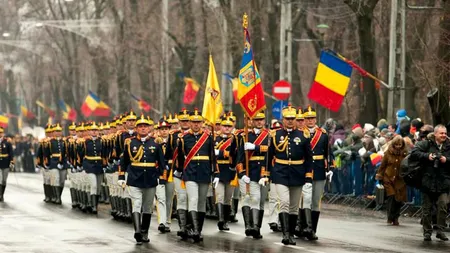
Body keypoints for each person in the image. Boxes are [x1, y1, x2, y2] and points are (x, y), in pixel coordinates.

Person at [267, 105, 313, 245]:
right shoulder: (276, 135)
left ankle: (291, 233)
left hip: (297, 173)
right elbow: (269, 156)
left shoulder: (303, 135)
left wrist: (308, 175)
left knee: (293, 207)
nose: (290, 121)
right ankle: (285, 234)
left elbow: (309, 157)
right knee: (284, 203)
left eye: (293, 119)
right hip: (280, 173)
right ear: (283, 119)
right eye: (288, 119)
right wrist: (266, 173)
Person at [119, 115, 167, 245]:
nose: (143, 129)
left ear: (149, 128)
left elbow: (162, 163)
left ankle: (144, 232)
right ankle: (138, 231)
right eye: (140, 126)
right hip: (135, 179)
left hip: (151, 179)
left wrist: (162, 178)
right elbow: (124, 161)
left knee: (148, 206)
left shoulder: (155, 143)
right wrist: (121, 176)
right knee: (137, 204)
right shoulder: (130, 143)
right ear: (136, 128)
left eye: (145, 126)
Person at [176, 109, 216, 243]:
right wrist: (180, 170)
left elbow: (212, 156)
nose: (196, 125)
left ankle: (198, 228)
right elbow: (181, 157)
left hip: (204, 172)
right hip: (190, 172)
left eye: (198, 122)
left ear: (202, 123)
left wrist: (215, 172)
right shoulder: (183, 138)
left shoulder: (208, 137)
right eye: (193, 122)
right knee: (193, 199)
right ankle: (195, 230)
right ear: (190, 123)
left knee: (201, 201)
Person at [410, 124, 450, 241]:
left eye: (445, 133)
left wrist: (445, 160)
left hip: (443, 181)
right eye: (441, 133)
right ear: (435, 134)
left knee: (442, 206)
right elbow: (414, 153)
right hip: (427, 180)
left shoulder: (448, 146)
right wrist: (428, 156)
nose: (444, 135)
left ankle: (440, 230)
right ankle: (427, 232)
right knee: (426, 208)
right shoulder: (426, 143)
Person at [238, 111, 269, 239]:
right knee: (251, 198)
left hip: (263, 171)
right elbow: (239, 157)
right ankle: (251, 227)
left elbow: (270, 150)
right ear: (252, 121)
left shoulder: (269, 135)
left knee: (261, 201)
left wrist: (255, 147)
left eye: (261, 120)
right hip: (250, 171)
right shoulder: (245, 136)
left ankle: (257, 227)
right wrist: (242, 173)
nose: (259, 122)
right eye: (257, 120)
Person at [375, 136, 408, 225]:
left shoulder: (405, 154)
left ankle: (396, 217)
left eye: (399, 144)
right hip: (388, 178)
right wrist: (380, 175)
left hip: (400, 179)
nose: (398, 146)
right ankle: (390, 216)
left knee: (399, 199)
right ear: (393, 144)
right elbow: (383, 165)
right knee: (391, 197)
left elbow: (408, 165)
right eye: (396, 144)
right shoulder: (388, 153)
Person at [213, 116, 238, 232]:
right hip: (218, 170)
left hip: (230, 170)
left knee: (228, 198)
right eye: (225, 126)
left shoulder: (235, 139)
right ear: (220, 127)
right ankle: (220, 219)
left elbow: (236, 154)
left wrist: (221, 152)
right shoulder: (215, 138)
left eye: (229, 126)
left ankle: (226, 220)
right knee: (219, 196)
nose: (227, 128)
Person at [154, 119, 173, 233]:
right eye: (162, 129)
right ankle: (162, 222)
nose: (164, 131)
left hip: (171, 172)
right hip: (158, 172)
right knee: (160, 197)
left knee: (169, 198)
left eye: (166, 129)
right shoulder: (155, 142)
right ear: (159, 130)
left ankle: (168, 221)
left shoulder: (175, 140)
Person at [45, 124, 67, 205]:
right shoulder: (50, 142)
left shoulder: (64, 141)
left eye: (59, 131)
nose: (58, 133)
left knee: (62, 181)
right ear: (53, 132)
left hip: (63, 162)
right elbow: (46, 153)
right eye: (56, 131)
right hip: (53, 162)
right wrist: (47, 163)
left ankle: (58, 195)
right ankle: (58, 197)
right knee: (56, 180)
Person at [0, 127, 14, 201]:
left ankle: (2, 194)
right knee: (0, 179)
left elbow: (11, 152)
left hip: (5, 163)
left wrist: (12, 162)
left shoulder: (7, 142)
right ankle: (0, 195)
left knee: (4, 180)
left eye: (1, 133)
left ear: (3, 133)